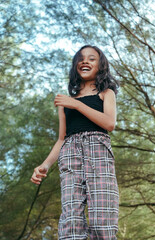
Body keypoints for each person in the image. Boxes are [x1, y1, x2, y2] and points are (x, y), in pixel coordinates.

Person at [30, 45, 119, 240]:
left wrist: (76, 104)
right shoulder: (65, 102)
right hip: (70, 156)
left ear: (101, 65)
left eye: (91, 58)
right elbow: (61, 139)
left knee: (101, 219)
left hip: (98, 154)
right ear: (75, 66)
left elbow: (109, 123)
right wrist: (45, 165)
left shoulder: (106, 93)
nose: (85, 61)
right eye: (80, 58)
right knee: (71, 220)